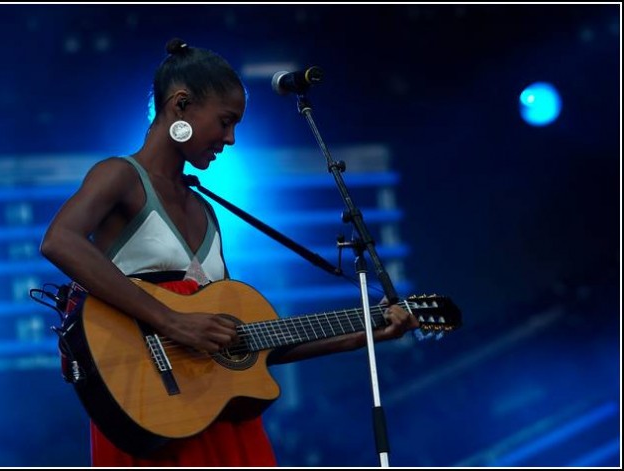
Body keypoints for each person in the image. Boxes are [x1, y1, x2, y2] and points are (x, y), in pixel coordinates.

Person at [40, 37, 419, 467]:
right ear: (180, 106)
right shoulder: (120, 175)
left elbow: (246, 346)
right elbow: (59, 240)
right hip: (150, 401)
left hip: (216, 411)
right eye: (225, 121)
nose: (231, 138)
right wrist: (173, 322)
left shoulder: (206, 209)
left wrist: (364, 334)